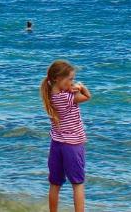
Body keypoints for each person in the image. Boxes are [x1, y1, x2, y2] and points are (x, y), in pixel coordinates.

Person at [40, 59, 91, 212]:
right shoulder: (68, 98)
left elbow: (62, 92)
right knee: (78, 184)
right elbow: (88, 97)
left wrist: (68, 88)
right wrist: (81, 87)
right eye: (70, 79)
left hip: (56, 144)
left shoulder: (50, 95)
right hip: (73, 145)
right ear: (57, 78)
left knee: (55, 184)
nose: (72, 82)